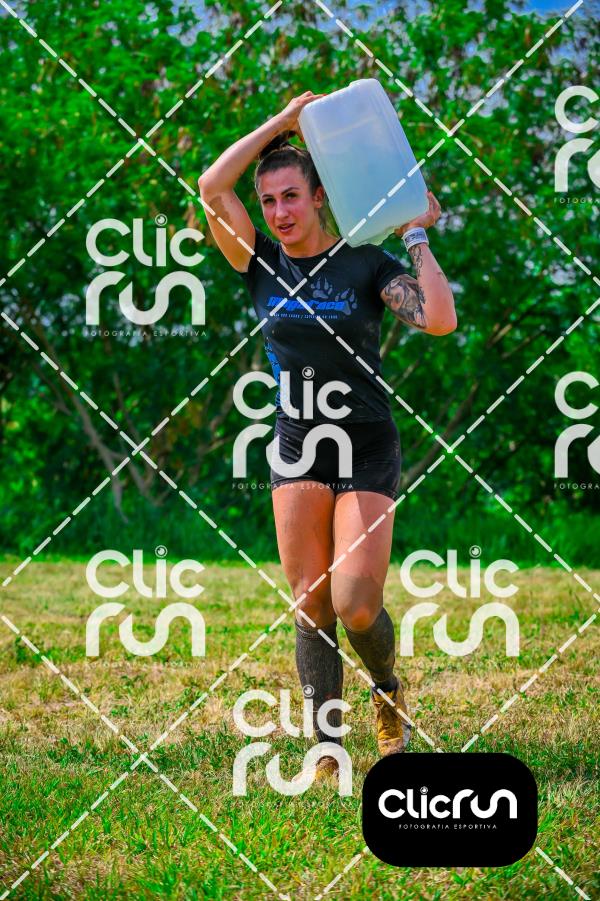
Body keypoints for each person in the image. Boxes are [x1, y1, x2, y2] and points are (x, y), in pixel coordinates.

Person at [198, 90, 456, 781]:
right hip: (298, 445)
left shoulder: (363, 262)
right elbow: (212, 186)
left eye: (291, 196)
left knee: (355, 604)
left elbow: (438, 319)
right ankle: (328, 745)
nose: (279, 212)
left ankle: (388, 689)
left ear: (319, 197)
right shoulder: (256, 261)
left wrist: (416, 235)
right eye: (269, 200)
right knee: (311, 602)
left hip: (365, 445)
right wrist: (284, 123)